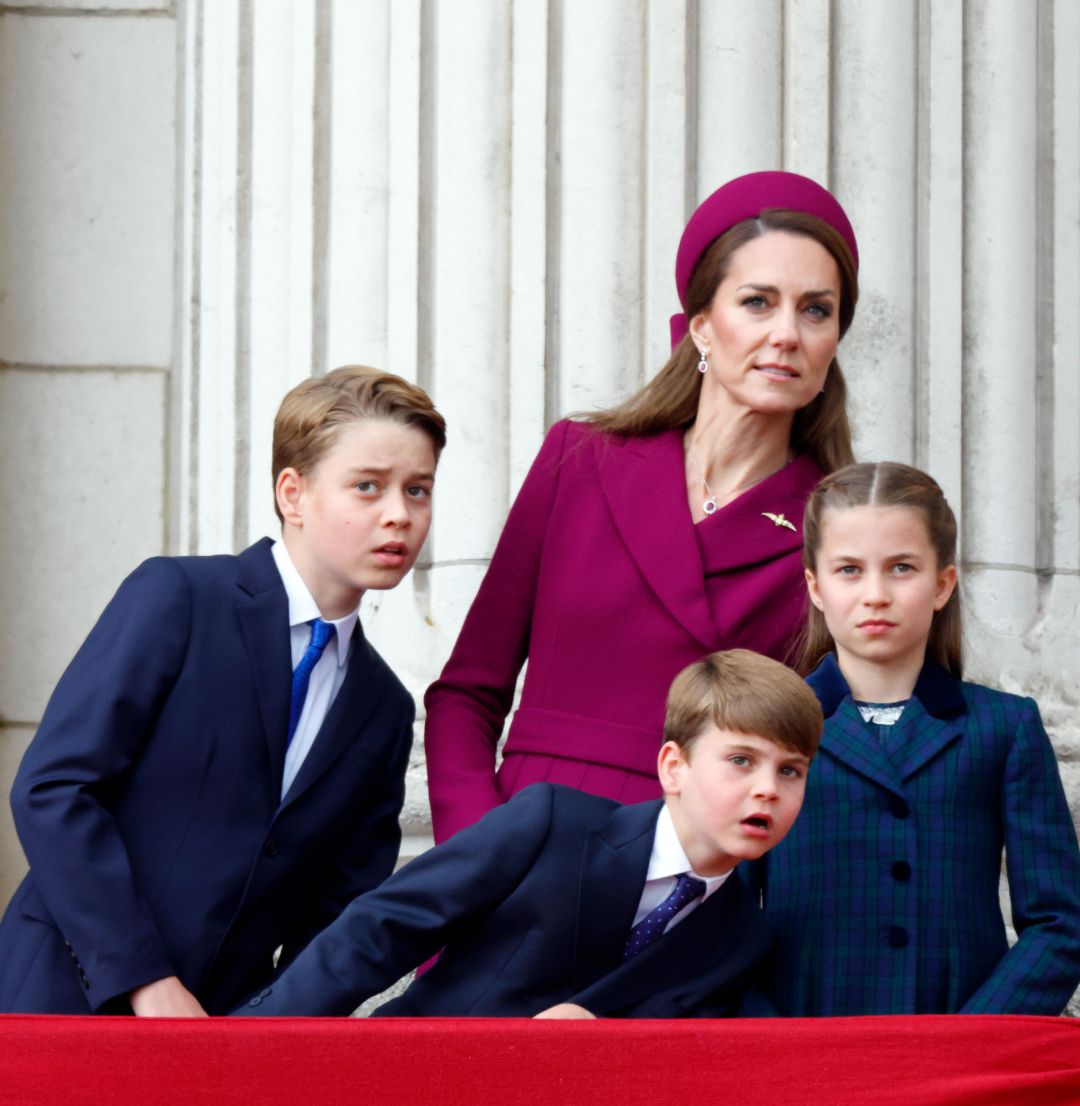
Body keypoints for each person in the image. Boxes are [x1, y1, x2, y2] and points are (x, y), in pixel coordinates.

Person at [424, 171, 860, 845]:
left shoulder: (837, 531)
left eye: (815, 310)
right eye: (757, 302)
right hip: (518, 860)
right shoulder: (581, 459)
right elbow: (467, 694)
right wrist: (472, 858)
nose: (786, 334)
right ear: (702, 327)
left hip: (690, 885)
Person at [0, 366, 446, 1016]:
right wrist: (144, 978)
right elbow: (52, 789)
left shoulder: (383, 709)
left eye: (418, 490)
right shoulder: (179, 600)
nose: (399, 515)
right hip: (61, 995)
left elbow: (337, 915)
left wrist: (269, 1028)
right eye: (367, 487)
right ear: (292, 493)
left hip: (224, 1036)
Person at [235, 650, 822, 1018]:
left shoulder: (741, 937)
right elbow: (380, 929)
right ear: (674, 767)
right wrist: (244, 1051)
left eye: (790, 770)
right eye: (741, 760)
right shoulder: (553, 823)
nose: (767, 787)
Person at [757, 461, 1080, 1015]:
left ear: (942, 584)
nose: (875, 594)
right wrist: (770, 1041)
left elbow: (1060, 921)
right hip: (801, 1051)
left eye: (901, 567)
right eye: (850, 570)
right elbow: (717, 917)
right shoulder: (766, 727)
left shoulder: (1004, 727)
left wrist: (972, 1039)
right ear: (815, 586)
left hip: (958, 1054)